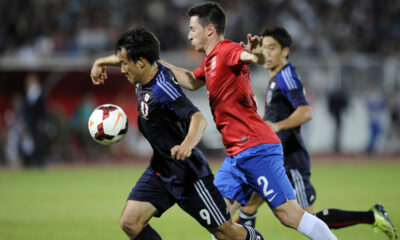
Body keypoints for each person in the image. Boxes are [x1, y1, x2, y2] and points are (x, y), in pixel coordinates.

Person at [160, 2, 337, 240]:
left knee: (289, 215)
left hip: (256, 149)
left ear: (209, 29)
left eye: (193, 29)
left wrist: (258, 53)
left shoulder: (226, 50)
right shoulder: (211, 60)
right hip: (236, 155)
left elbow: (253, 56)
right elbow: (191, 81)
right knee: (218, 220)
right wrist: (156, 63)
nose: (189, 34)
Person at [90, 27, 264, 240]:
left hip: (188, 174)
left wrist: (187, 145)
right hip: (161, 169)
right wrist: (101, 62)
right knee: (130, 222)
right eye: (122, 63)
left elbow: (198, 118)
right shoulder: (145, 70)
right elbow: (125, 57)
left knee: (226, 233)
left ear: (142, 62)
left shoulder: (163, 90)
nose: (123, 68)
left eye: (126, 64)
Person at [234, 26, 398, 240]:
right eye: (265, 48)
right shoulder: (275, 77)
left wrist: (277, 126)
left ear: (285, 51)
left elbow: (306, 111)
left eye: (272, 47)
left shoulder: (287, 76)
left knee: (307, 219)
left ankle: (371, 216)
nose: (267, 52)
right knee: (247, 208)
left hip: (290, 161)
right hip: (273, 158)